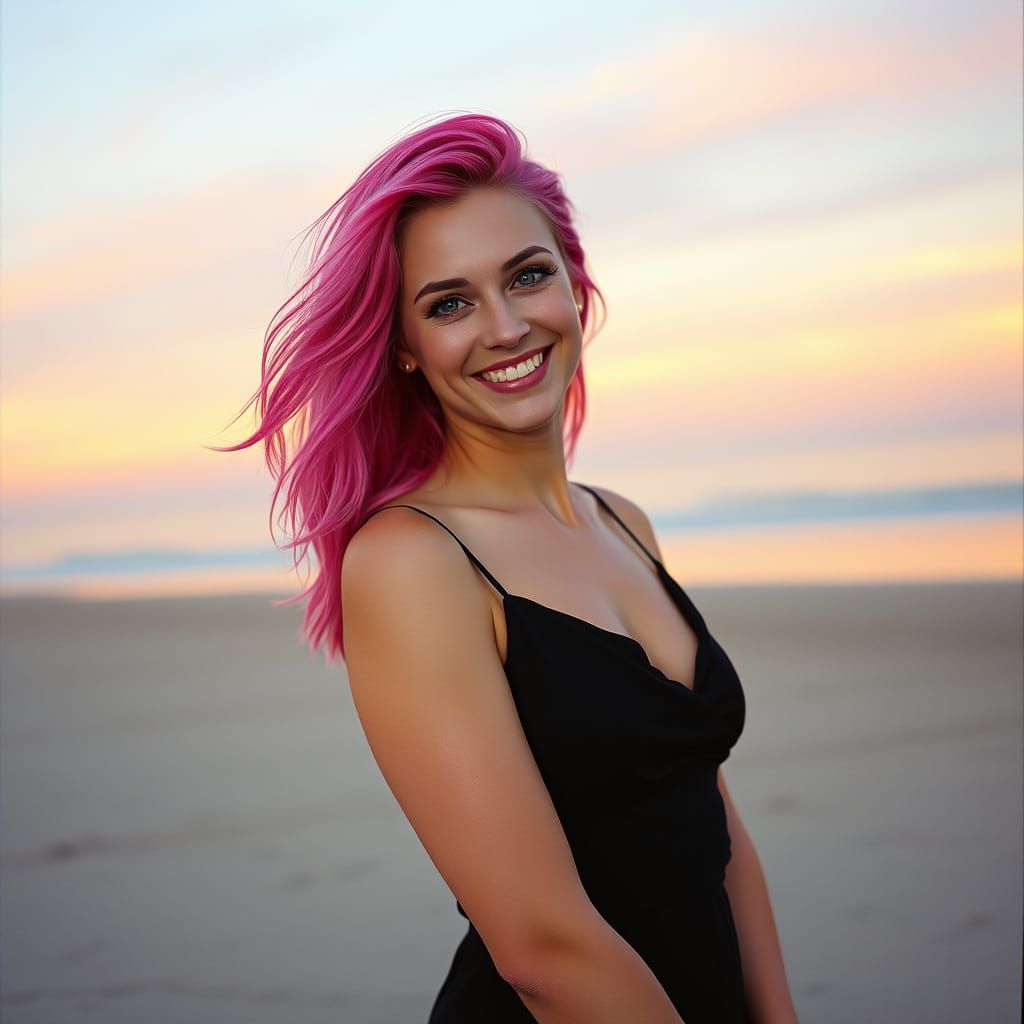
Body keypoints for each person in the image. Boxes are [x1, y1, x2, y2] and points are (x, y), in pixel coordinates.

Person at [220, 112, 799, 1023]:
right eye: (448, 304)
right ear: (403, 347)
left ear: (574, 283)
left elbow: (714, 828)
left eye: (527, 276)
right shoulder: (413, 560)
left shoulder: (625, 522)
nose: (505, 326)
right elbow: (540, 950)